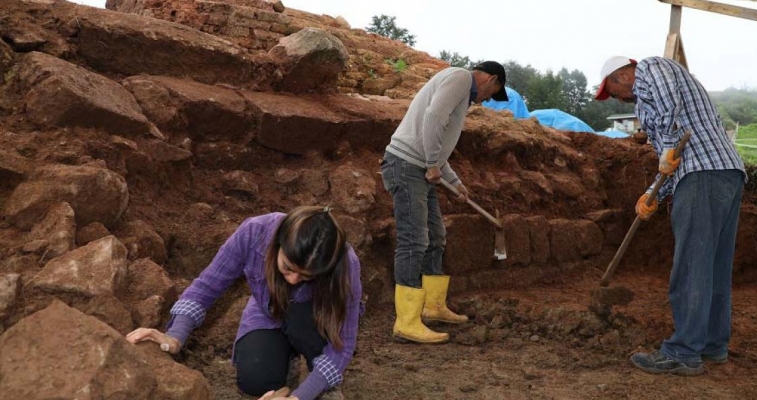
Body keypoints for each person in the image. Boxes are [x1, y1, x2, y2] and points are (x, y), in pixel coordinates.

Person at [595, 56, 746, 376]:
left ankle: (683, 351)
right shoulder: (645, 107)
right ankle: (711, 345)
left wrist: (667, 154)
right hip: (722, 173)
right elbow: (667, 159)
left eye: (614, 89)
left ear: (624, 73)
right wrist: (653, 195)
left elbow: (670, 113)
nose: (618, 97)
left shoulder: (652, 68)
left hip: (702, 173)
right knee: (713, 266)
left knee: (692, 265)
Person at [126, 206, 362, 400]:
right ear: (278, 243)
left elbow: (344, 343)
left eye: (306, 276)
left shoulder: (345, 265)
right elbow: (207, 286)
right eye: (288, 268)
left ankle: (321, 384)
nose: (292, 279)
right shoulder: (255, 232)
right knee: (256, 379)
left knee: (302, 323)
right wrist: (175, 335)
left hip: (316, 322)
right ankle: (284, 368)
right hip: (269, 311)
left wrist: (301, 397)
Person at [380, 61, 508, 343]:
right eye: (492, 93)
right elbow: (433, 118)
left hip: (419, 167)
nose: (486, 100)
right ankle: (407, 322)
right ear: (491, 79)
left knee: (435, 237)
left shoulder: (461, 91)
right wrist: (431, 165)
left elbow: (438, 143)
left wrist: (454, 181)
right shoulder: (461, 78)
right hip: (406, 165)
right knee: (414, 240)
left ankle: (433, 306)